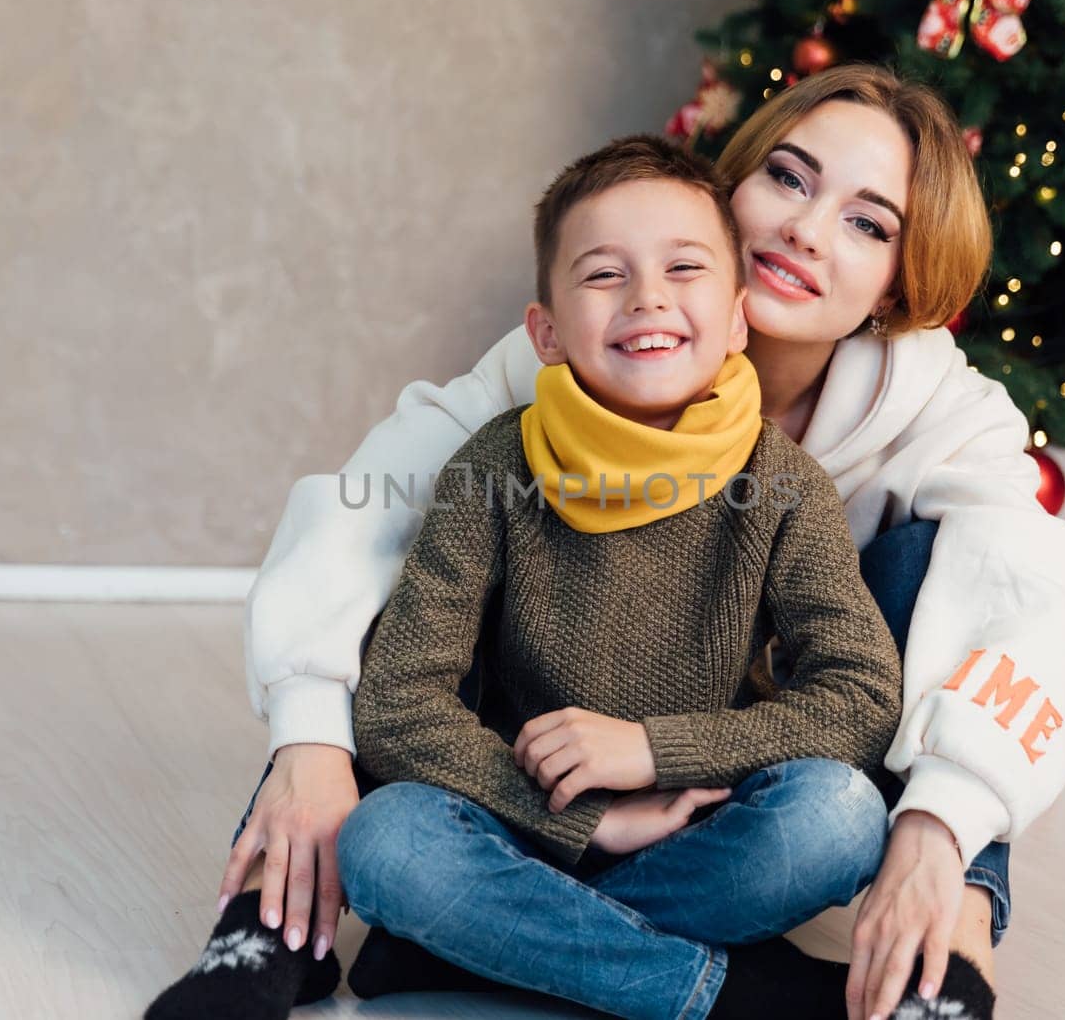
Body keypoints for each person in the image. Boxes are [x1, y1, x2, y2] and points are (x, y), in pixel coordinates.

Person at [148, 63, 1065, 1020]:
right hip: (532, 760)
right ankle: (274, 917)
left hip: (736, 765)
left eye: (868, 222)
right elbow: (370, 507)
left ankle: (938, 945)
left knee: (951, 579)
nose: (807, 229)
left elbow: (1034, 605)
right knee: (421, 542)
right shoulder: (577, 344)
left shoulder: (937, 413)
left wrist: (945, 829)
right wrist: (309, 732)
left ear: (901, 281)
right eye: (789, 177)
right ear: (732, 189)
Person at [333, 133, 933, 1020]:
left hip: (693, 831)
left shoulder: (781, 485)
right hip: (517, 826)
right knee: (385, 842)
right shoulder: (493, 468)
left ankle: (488, 949)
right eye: (605, 275)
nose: (647, 297)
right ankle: (716, 988)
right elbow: (396, 703)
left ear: (736, 319)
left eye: (684, 268)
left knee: (839, 815)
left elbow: (861, 697)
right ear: (545, 331)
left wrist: (654, 750)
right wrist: (582, 819)